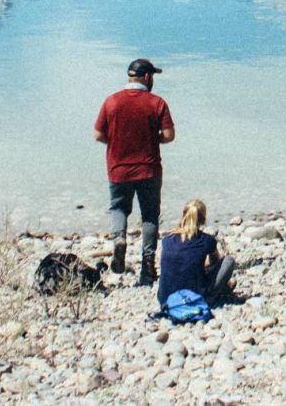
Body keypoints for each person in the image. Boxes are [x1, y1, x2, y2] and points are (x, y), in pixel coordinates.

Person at [93, 58, 175, 286]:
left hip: (118, 169)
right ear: (147, 77)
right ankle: (147, 269)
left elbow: (98, 134)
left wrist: (116, 142)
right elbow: (169, 135)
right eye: (153, 76)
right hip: (149, 169)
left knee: (119, 208)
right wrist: (153, 139)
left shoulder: (111, 101)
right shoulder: (156, 102)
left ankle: (119, 239)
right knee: (149, 216)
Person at [157, 199, 237, 307]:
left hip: (165, 299)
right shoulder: (207, 241)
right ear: (203, 220)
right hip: (196, 299)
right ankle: (218, 293)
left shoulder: (167, 240)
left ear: (183, 216)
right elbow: (215, 261)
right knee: (228, 261)